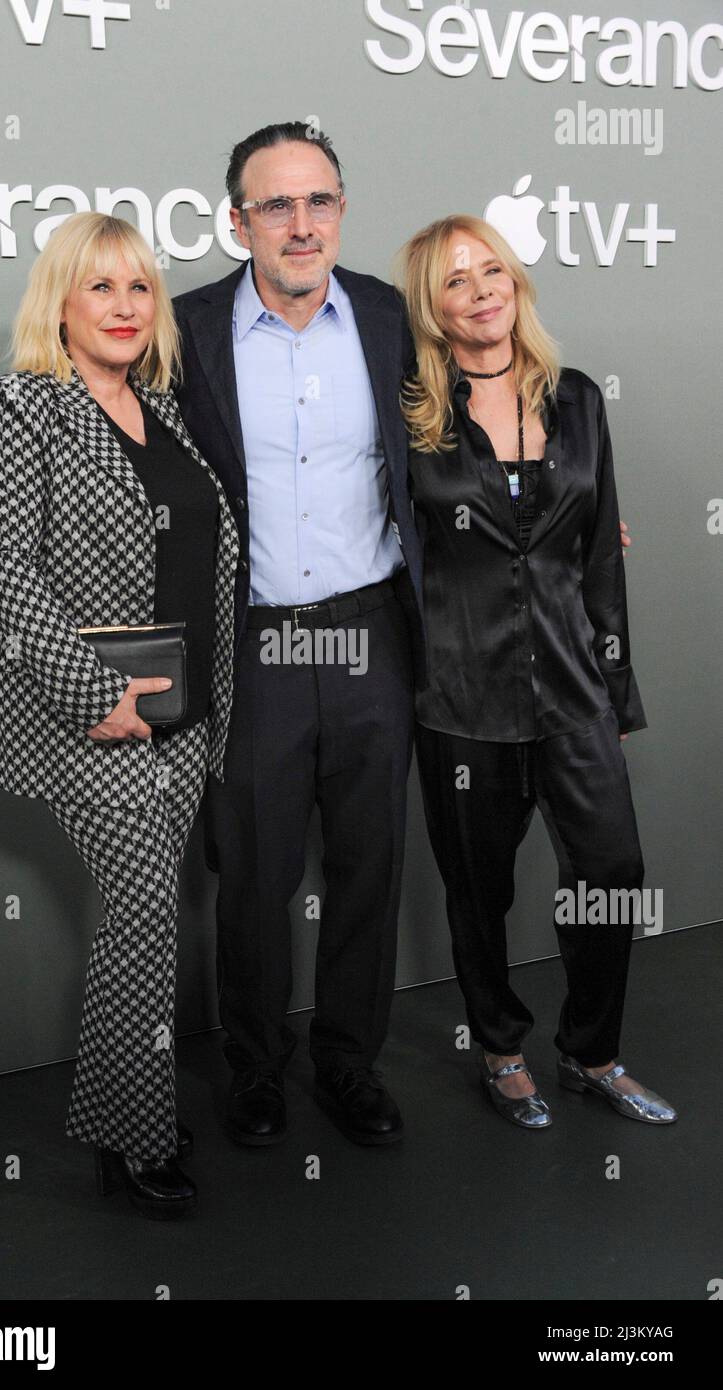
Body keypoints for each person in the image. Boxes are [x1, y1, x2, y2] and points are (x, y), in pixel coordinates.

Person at [0, 211, 239, 1216]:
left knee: (148, 924)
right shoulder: (20, 407)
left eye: (139, 289)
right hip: (95, 720)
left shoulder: (163, 412)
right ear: (62, 303)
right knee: (143, 926)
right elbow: (6, 563)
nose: (124, 308)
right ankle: (130, 1140)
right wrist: (93, 693)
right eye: (101, 289)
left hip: (187, 716)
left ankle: (135, 1107)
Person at [171, 122, 426, 1147]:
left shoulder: (387, 316)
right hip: (255, 647)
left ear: (342, 208)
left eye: (319, 199)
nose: (301, 222)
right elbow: (108, 424)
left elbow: (458, 437)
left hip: (372, 638)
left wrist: (560, 512)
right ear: (238, 220)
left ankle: (349, 1063)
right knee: (255, 874)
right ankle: (256, 1068)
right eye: (276, 204)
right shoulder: (182, 328)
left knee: (369, 865)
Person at [400, 214, 676, 1128]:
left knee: (610, 867)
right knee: (478, 891)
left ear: (515, 280)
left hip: (572, 687)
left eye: (491, 271)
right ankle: (501, 1051)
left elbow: (602, 553)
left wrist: (617, 692)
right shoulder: (409, 412)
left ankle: (591, 1053)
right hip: (459, 695)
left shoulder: (578, 399)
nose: (480, 291)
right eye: (454, 281)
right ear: (431, 308)